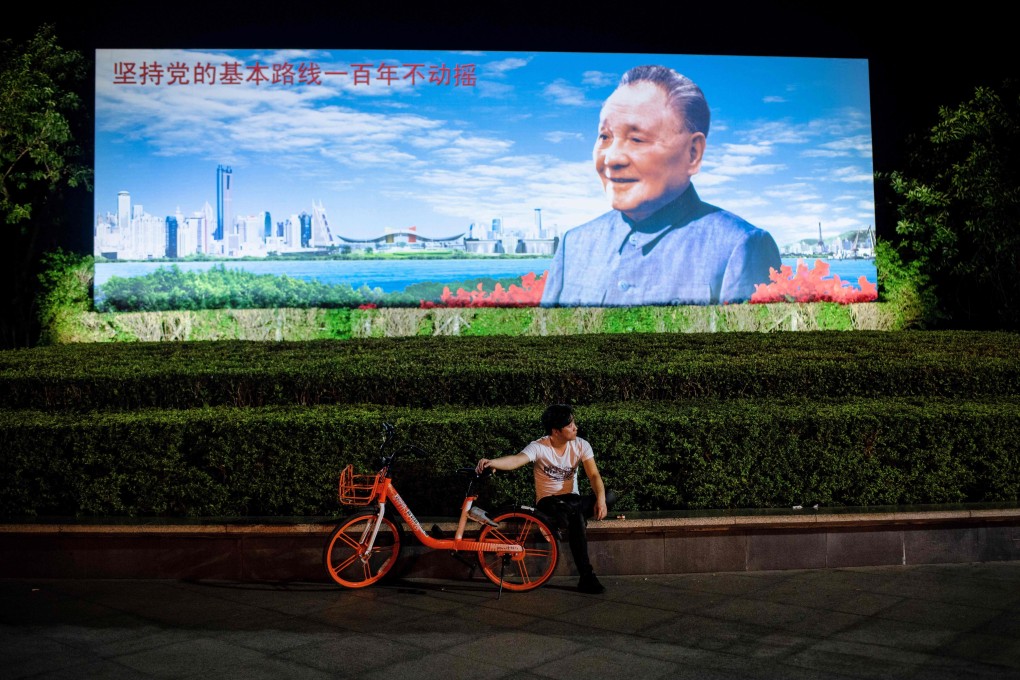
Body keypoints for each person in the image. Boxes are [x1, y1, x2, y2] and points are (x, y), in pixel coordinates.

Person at [541, 65, 781, 307]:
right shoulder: (573, 244)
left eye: (636, 139)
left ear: (693, 153)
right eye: (605, 137)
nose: (611, 159)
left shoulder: (740, 246)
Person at [475, 404, 616, 594]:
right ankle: (586, 576)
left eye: (574, 423)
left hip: (571, 501)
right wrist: (493, 462)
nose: (575, 427)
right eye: (569, 425)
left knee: (609, 496)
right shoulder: (540, 446)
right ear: (556, 431)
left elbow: (594, 475)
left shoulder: (581, 445)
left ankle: (558, 523)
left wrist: (601, 500)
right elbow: (516, 459)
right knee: (576, 517)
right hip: (548, 502)